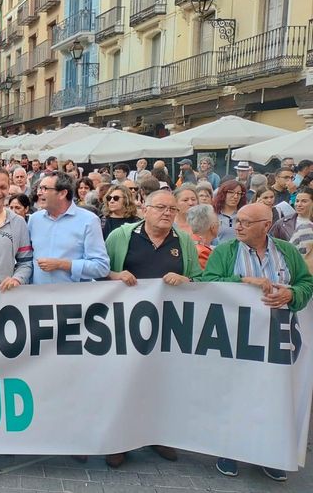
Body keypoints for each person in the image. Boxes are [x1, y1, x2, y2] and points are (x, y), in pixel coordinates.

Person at [202, 203, 313, 482]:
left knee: (273, 395)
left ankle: (269, 454)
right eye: (237, 221)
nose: (237, 226)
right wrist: (242, 281)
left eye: (246, 222)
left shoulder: (286, 251)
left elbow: (306, 283)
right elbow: (209, 282)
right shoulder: (226, 252)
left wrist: (292, 296)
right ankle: (229, 450)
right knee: (236, 392)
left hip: (277, 339)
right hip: (237, 338)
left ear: (266, 225)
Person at [103, 190, 202, 468]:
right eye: (161, 207)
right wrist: (115, 274)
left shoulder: (183, 240)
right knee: (123, 381)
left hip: (167, 325)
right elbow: (99, 272)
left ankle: (158, 435)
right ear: (144, 209)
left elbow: (199, 278)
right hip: (124, 325)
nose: (168, 213)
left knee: (161, 382)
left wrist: (185, 278)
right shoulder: (121, 237)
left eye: (172, 209)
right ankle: (118, 441)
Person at [29, 172, 110, 284]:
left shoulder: (89, 220)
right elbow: (27, 260)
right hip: (38, 297)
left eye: (44, 188)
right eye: (39, 188)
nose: (38, 193)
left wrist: (62, 265)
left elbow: (101, 267)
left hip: (73, 298)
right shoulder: (34, 219)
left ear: (62, 193)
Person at [213, 180, 246, 245]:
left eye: (239, 193)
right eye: (231, 192)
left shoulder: (245, 215)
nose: (235, 196)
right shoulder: (213, 215)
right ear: (223, 194)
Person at [187, 204, 219, 269]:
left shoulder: (188, 242)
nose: (219, 225)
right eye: (218, 222)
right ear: (213, 227)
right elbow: (208, 277)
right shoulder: (203, 252)